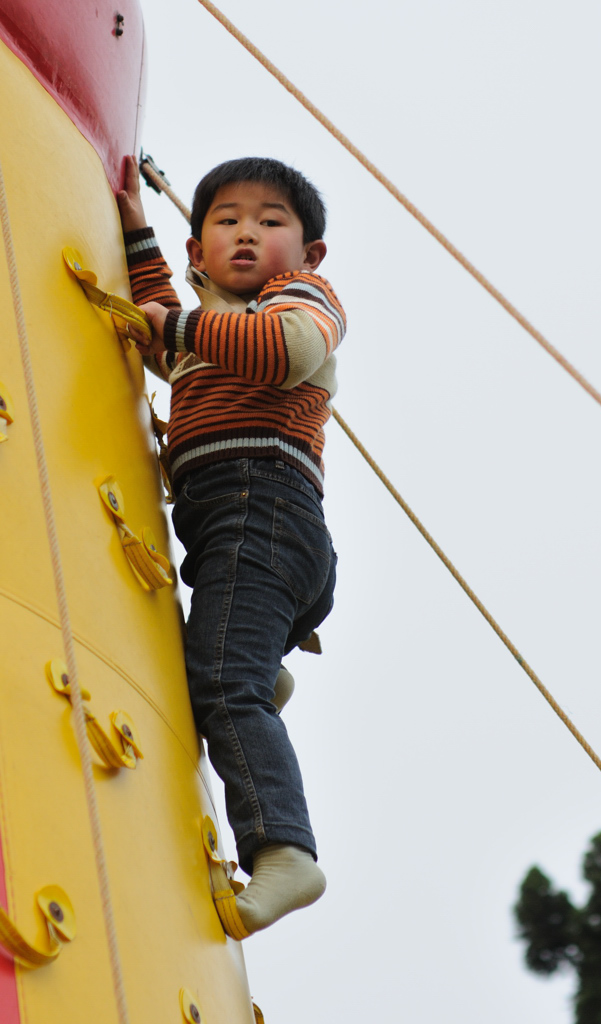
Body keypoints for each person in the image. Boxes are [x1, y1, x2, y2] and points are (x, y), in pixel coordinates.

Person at [117, 154, 346, 937]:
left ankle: (285, 847)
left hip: (266, 512)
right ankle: (259, 676)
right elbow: (158, 325)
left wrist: (179, 321)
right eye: (226, 221)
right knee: (225, 670)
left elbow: (287, 352)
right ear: (197, 250)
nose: (246, 232)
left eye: (270, 220)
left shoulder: (299, 301)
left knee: (219, 681)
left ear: (309, 253)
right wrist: (138, 232)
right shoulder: (205, 333)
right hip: (243, 533)